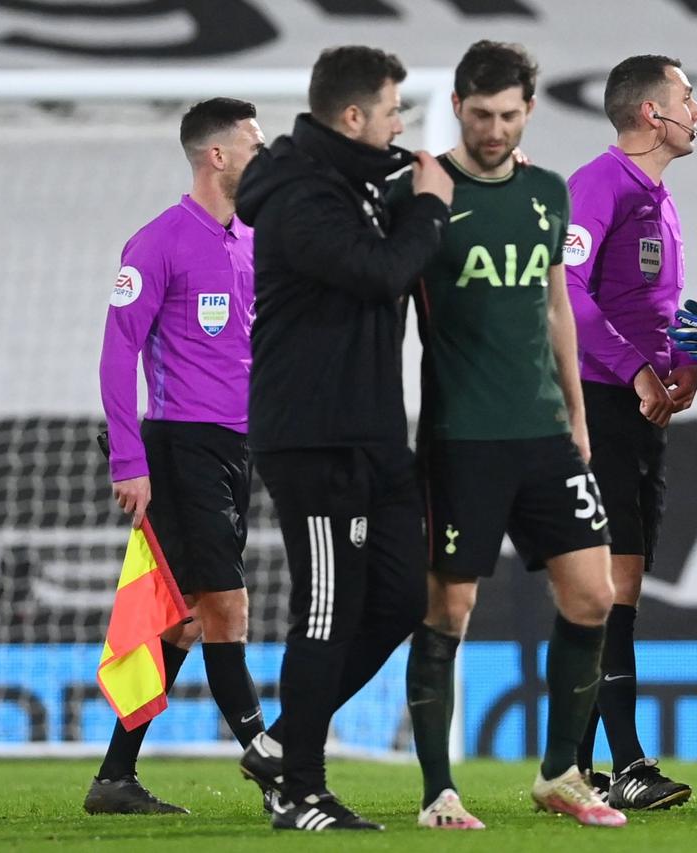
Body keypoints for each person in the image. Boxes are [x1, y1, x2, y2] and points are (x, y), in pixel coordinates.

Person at [391, 40, 624, 830]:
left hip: (545, 432)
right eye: (482, 113)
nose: (495, 128)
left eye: (510, 114)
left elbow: (556, 304)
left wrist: (579, 412)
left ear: (528, 110)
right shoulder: (425, 189)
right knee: (451, 607)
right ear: (457, 106)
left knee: (595, 594)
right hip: (462, 438)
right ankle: (436, 791)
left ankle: (561, 772)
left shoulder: (548, 193)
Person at [233, 45, 454, 831]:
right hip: (315, 438)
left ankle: (282, 746)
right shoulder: (298, 196)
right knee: (324, 612)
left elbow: (389, 212)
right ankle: (301, 787)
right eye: (393, 111)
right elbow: (382, 271)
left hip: (372, 432)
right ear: (354, 117)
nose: (401, 125)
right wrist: (428, 204)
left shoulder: (350, 182)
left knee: (398, 598)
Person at [90, 97, 269, 816]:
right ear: (216, 156)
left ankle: (113, 776)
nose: (265, 155)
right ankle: (268, 756)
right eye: (254, 145)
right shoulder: (157, 242)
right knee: (226, 607)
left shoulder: (253, 238)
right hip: (178, 445)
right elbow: (116, 354)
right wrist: (128, 460)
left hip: (238, 447)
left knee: (188, 618)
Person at [563, 54, 697, 812]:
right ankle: (627, 761)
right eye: (687, 96)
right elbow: (568, 290)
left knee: (621, 585)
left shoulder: (660, 197)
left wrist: (687, 360)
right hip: (597, 404)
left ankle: (575, 765)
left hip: (639, 407)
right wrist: (635, 370)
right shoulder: (600, 183)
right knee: (611, 583)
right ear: (652, 112)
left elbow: (654, 308)